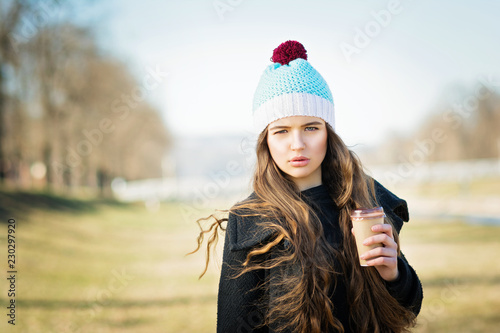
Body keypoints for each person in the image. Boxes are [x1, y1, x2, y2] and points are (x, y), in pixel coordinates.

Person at [193, 40, 423, 333]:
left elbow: (409, 308)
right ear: (266, 140)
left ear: (328, 131)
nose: (297, 144)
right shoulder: (251, 219)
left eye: (311, 127)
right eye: (282, 131)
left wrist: (395, 274)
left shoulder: (367, 199)